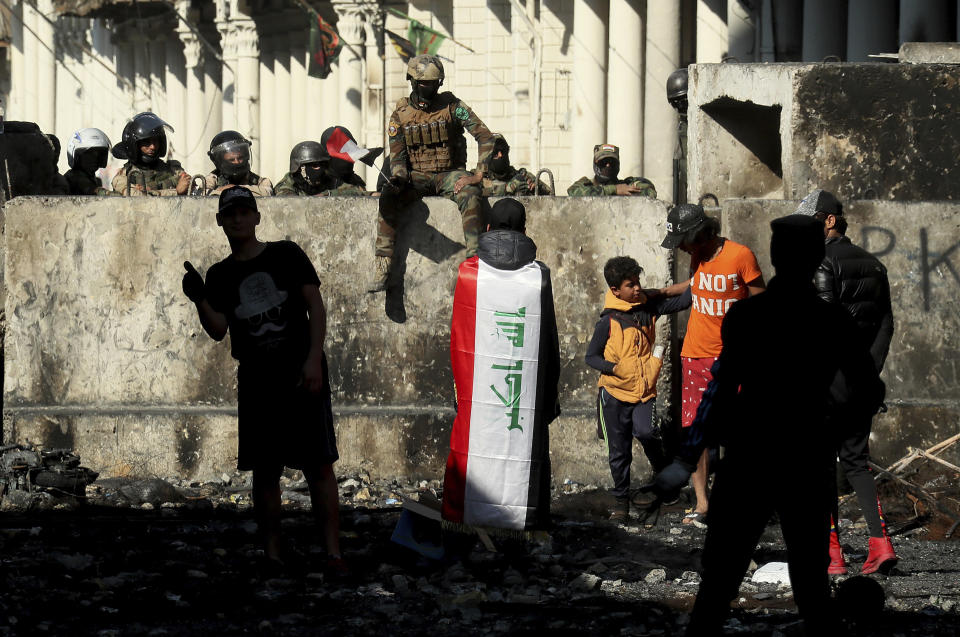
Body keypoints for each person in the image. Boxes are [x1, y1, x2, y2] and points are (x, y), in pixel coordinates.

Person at [649, 214, 884, 636]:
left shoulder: (746, 317)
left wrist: (684, 461)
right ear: (817, 257)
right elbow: (868, 391)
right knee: (812, 584)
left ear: (774, 256)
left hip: (750, 458)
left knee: (718, 583)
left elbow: (718, 393)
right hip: (807, 460)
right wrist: (830, 425)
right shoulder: (832, 321)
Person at [181, 187, 343, 572]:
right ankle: (272, 556)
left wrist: (313, 361)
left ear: (256, 217)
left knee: (318, 464)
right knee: (266, 471)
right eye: (229, 214)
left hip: (300, 374)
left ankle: (334, 552)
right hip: (257, 381)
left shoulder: (286, 254)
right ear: (220, 221)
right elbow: (219, 329)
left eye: (243, 212)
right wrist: (200, 298)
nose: (237, 219)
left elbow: (314, 306)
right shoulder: (220, 275)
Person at [441, 198, 560, 531]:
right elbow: (548, 340)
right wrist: (550, 393)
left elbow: (458, 338)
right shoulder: (539, 275)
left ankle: (464, 524)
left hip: (477, 387)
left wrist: (459, 391)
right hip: (525, 389)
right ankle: (530, 524)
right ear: (524, 230)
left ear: (488, 228)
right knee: (530, 450)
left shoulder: (469, 272)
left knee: (474, 443)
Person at [796, 188, 897, 575]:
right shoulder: (875, 265)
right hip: (862, 380)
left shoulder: (820, 264)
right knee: (856, 462)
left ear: (829, 221)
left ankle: (832, 555)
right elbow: (886, 324)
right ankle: (880, 543)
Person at [659, 203, 765, 527]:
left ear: (700, 234)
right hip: (694, 356)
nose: (678, 247)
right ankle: (703, 504)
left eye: (682, 240)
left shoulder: (740, 256)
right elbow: (695, 289)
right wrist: (660, 294)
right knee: (695, 432)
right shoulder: (696, 257)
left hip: (733, 358)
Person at [369, 54, 496, 293]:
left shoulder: (453, 107)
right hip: (416, 176)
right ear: (413, 82)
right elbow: (397, 157)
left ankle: (475, 263)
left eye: (435, 83)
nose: (431, 88)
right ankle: (383, 262)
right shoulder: (400, 114)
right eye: (425, 83)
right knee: (388, 196)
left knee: (470, 193)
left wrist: (478, 175)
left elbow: (485, 136)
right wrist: (398, 178)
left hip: (449, 174)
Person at [585, 256, 691, 522]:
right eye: (630, 285)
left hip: (643, 391)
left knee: (647, 432)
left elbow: (684, 300)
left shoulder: (648, 308)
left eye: (638, 283)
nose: (637, 288)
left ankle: (668, 492)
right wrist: (614, 368)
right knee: (619, 452)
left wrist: (701, 278)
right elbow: (591, 357)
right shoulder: (607, 322)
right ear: (615, 290)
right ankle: (621, 504)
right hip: (614, 394)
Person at [111, 112, 190, 196]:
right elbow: (138, 197)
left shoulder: (172, 169)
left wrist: (150, 188)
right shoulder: (124, 176)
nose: (152, 146)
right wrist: (176, 191)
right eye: (146, 142)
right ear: (135, 145)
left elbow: (189, 186)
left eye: (156, 141)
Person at [567, 144, 656, 197]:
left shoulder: (627, 185)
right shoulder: (585, 184)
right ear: (595, 163)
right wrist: (614, 190)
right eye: (604, 162)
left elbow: (650, 192)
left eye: (611, 161)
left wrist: (625, 190)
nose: (608, 165)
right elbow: (573, 192)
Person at [203, 130, 273, 196]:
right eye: (231, 160)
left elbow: (267, 192)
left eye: (240, 158)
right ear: (220, 162)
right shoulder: (213, 178)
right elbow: (202, 194)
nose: (237, 162)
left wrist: (234, 189)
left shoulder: (260, 181)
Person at [482, 134, 551, 197]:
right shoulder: (480, 178)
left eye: (503, 151)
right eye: (495, 152)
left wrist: (536, 190)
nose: (500, 155)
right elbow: (476, 192)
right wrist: (508, 188)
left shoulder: (523, 176)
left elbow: (552, 196)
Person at [316, 126, 377, 197]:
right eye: (341, 153)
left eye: (350, 152)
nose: (349, 158)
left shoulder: (355, 179)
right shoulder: (317, 178)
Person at [64, 128, 118, 196]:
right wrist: (111, 195)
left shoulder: (95, 180)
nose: (95, 159)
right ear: (78, 157)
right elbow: (92, 190)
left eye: (99, 155)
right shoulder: (73, 177)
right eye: (89, 155)